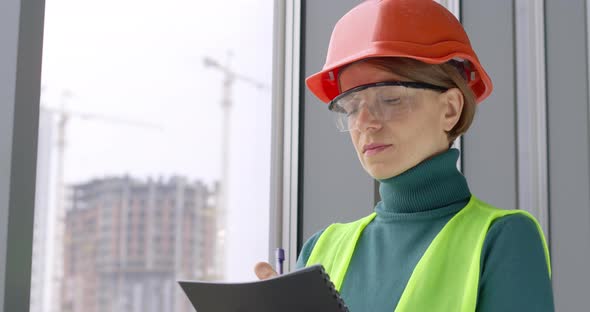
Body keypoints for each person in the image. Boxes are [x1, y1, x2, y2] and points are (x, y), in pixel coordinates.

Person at [255, 0, 554, 311]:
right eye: (352, 107)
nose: (365, 123)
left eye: (390, 98)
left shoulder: (503, 239)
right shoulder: (322, 249)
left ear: (450, 109)